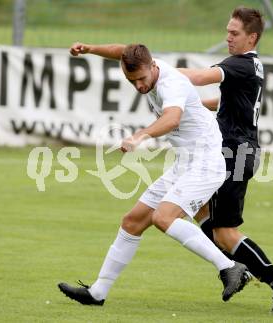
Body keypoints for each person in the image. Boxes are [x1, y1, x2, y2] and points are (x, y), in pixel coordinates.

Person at [58, 42, 251, 305]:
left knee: (163, 218)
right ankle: (98, 293)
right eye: (131, 80)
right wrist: (90, 49)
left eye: (141, 79)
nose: (138, 86)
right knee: (132, 221)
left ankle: (229, 267)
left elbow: (171, 119)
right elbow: (122, 51)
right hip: (185, 163)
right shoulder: (145, 62)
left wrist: (140, 136)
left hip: (206, 163)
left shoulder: (171, 84)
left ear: (153, 66)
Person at [178, 7, 273, 314]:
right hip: (237, 151)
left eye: (234, 34)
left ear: (252, 37)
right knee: (198, 209)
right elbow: (223, 101)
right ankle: (236, 266)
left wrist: (158, 70)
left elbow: (200, 77)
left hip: (235, 153)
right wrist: (191, 108)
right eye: (227, 32)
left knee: (225, 232)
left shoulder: (239, 64)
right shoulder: (253, 66)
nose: (228, 38)